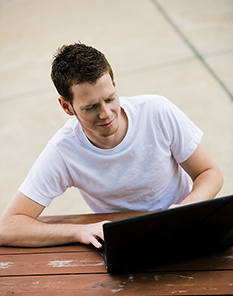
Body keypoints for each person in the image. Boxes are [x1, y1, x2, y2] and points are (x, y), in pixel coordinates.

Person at [0, 43, 223, 249]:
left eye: (110, 98)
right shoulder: (63, 151)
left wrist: (187, 207)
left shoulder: (157, 111)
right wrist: (78, 231)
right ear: (66, 106)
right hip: (127, 242)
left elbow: (209, 173)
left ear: (114, 84)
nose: (106, 114)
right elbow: (7, 227)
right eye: (91, 107)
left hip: (186, 228)